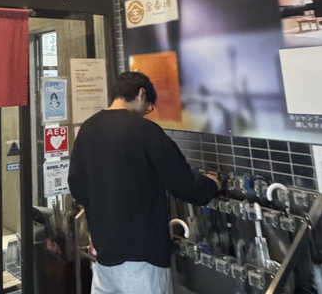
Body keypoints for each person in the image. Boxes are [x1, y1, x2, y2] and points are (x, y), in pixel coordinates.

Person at [68, 71, 220, 294]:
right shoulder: (145, 131)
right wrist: (211, 184)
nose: (147, 112)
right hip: (143, 261)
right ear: (141, 94)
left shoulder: (88, 128)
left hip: (104, 259)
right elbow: (184, 184)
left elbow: (77, 187)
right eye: (149, 106)